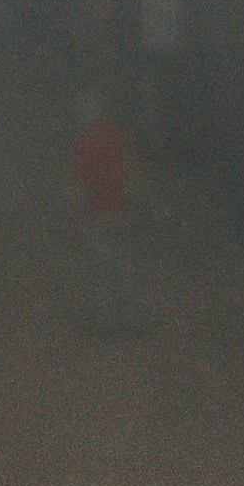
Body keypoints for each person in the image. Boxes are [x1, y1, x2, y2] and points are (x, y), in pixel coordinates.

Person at [68, 93, 145, 331]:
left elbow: (81, 181)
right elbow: (132, 171)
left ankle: (105, 321)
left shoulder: (85, 143)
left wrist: (79, 211)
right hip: (121, 210)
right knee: (124, 267)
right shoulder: (117, 138)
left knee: (100, 269)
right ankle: (131, 319)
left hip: (97, 213)